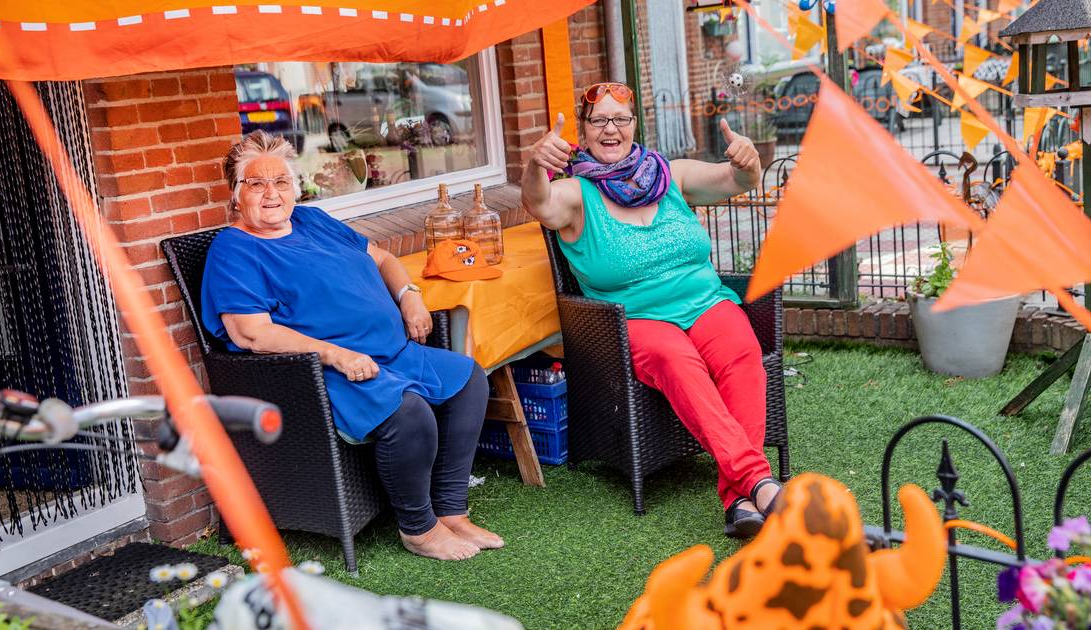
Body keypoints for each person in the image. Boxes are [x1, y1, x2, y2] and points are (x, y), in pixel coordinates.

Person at [201, 130, 502, 560]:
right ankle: (419, 528)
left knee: (466, 378)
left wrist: (408, 295)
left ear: (295, 188)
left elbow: (381, 258)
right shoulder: (235, 249)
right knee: (408, 412)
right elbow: (251, 333)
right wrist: (336, 354)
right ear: (236, 195)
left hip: (392, 351)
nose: (271, 193)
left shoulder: (312, 221)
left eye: (281, 181)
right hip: (325, 372)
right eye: (256, 183)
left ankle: (451, 511)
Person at [521, 82, 780, 538]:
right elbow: (538, 203)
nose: (610, 129)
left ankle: (740, 496)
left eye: (620, 119)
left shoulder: (670, 173)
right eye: (598, 120)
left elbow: (738, 182)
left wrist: (748, 162)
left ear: (634, 125)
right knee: (674, 359)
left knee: (741, 349)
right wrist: (534, 166)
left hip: (704, 302)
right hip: (635, 319)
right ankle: (758, 482)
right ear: (582, 132)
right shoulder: (576, 194)